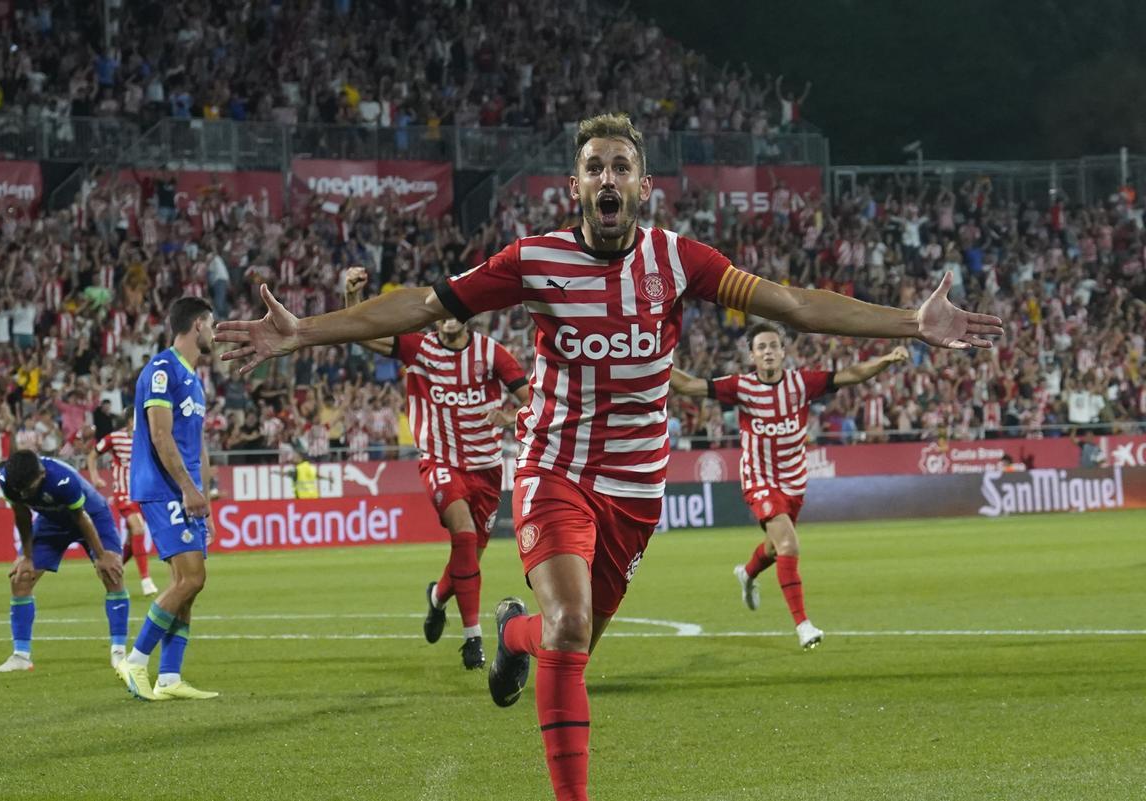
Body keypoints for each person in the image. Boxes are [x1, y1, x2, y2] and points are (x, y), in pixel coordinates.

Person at [214, 113, 1002, 801]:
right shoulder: (534, 261)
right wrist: (305, 329)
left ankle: (510, 632)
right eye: (595, 166)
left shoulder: (678, 261)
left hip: (636, 488)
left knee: (568, 640)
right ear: (575, 185)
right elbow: (425, 304)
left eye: (621, 165)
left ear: (644, 185)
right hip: (555, 469)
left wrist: (910, 322)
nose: (608, 176)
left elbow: (793, 303)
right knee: (570, 619)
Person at [669, 326, 909, 648]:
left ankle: (748, 573)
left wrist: (887, 359)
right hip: (759, 480)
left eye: (773, 346)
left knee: (775, 547)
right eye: (761, 347)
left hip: (794, 482)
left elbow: (851, 375)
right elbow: (688, 386)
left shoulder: (801, 383)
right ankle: (803, 625)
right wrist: (653, 360)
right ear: (752, 355)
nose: (768, 351)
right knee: (789, 545)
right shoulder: (741, 387)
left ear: (783, 352)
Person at [344, 265, 530, 669]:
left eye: (453, 309)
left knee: (468, 560)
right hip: (440, 462)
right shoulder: (419, 348)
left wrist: (511, 418)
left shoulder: (492, 353)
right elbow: (362, 334)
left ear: (466, 313)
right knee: (462, 535)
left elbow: (535, 403)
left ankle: (436, 598)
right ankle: (473, 638)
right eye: (439, 310)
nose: (446, 316)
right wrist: (351, 300)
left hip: (486, 470)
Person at [116, 297, 218, 702]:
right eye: (211, 325)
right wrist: (188, 489)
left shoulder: (194, 379)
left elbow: (199, 446)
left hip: (187, 492)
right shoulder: (162, 369)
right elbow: (160, 435)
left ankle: (170, 676)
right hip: (163, 488)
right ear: (197, 325)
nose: (213, 332)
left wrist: (204, 496)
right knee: (191, 578)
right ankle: (136, 662)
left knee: (188, 586)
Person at [0, 450, 128, 672]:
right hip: (52, 522)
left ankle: (119, 652)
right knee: (21, 578)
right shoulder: (8, 480)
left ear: (42, 475)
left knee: (111, 574)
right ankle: (21, 656)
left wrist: (101, 556)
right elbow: (22, 514)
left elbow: (81, 517)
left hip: (91, 516)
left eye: (28, 488)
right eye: (20, 490)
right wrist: (26, 556)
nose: (24, 493)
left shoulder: (62, 480)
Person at [89, 414, 159, 597]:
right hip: (123, 493)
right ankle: (146, 580)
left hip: (142, 495)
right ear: (130, 421)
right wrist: (95, 477)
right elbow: (92, 455)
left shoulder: (146, 438)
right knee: (138, 528)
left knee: (131, 539)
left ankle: (113, 567)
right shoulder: (114, 438)